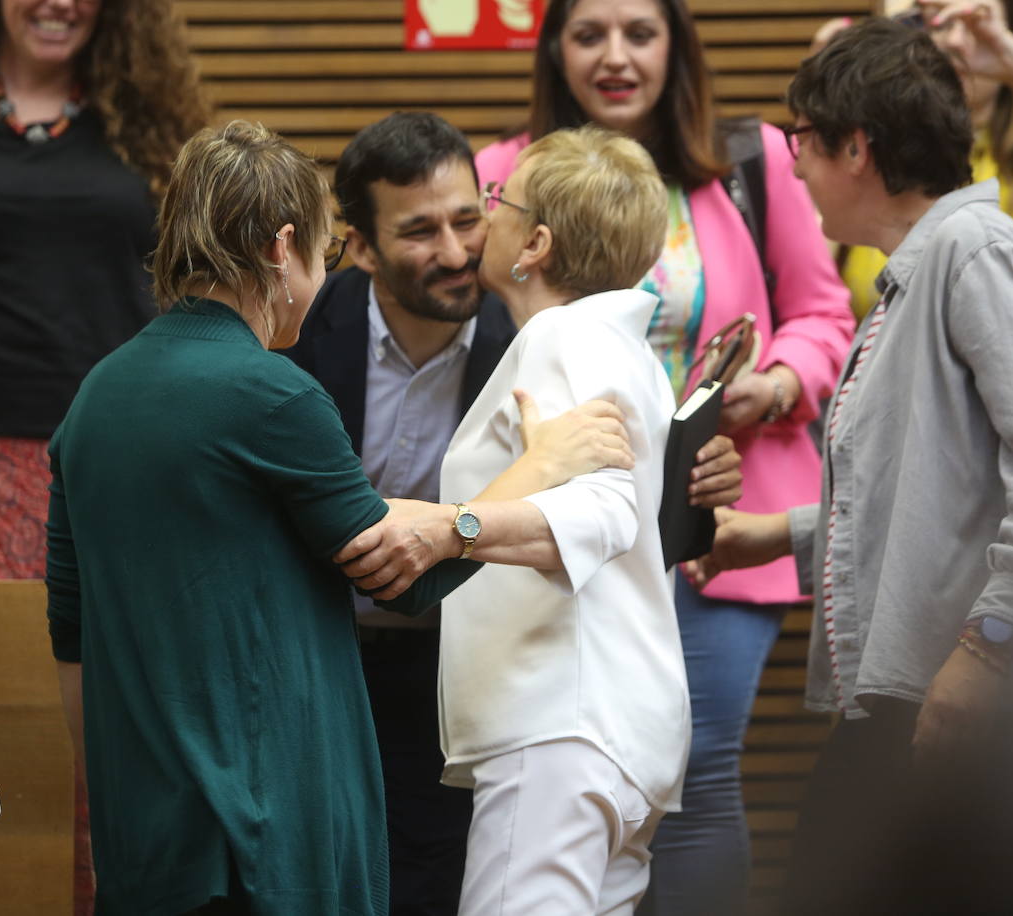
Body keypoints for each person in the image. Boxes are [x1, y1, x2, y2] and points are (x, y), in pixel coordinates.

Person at [47, 120, 637, 915]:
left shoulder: (93, 400)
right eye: (324, 255)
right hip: (264, 832)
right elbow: (402, 574)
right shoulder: (274, 394)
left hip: (142, 830)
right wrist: (541, 466)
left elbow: (71, 640)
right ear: (280, 247)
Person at [699, 19, 1013, 911]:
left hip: (973, 693)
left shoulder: (978, 253)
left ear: (858, 147)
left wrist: (985, 649)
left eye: (803, 140)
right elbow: (933, 499)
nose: (794, 164)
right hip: (915, 688)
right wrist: (772, 535)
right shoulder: (912, 274)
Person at [474, 1, 855, 910]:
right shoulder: (503, 174)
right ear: (553, 49)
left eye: (640, 34)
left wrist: (775, 386)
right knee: (570, 769)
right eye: (588, 34)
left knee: (696, 769)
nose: (615, 57)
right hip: (558, 523)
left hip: (716, 524)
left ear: (676, 51)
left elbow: (824, 316)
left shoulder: (754, 162)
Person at [338, 125, 690, 914]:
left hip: (559, 723)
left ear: (534, 243)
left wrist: (452, 527)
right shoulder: (626, 350)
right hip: (622, 731)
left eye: (494, 201)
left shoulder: (562, 336)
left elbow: (602, 511)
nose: (478, 224)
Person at [282, 112, 513, 915]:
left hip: (460, 660)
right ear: (363, 247)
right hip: (320, 654)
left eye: (467, 220)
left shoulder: (527, 332)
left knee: (429, 873)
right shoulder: (302, 330)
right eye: (420, 232)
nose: (455, 253)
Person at [0, 0, 210, 578]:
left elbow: (196, 301)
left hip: (124, 447)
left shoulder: (156, 128)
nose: (59, 3)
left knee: (112, 657)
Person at [816, 0, 1013, 319]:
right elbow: (807, 272)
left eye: (976, 24)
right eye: (939, 22)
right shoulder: (868, 151)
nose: (956, 41)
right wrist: (831, 92)